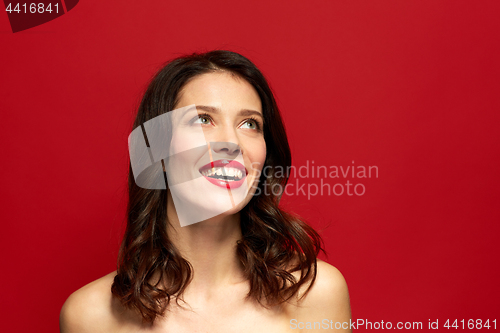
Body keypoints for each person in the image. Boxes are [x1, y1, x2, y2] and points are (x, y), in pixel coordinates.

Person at [59, 50, 351, 332]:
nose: (232, 143)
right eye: (202, 119)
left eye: (250, 124)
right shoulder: (89, 317)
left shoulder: (315, 295)